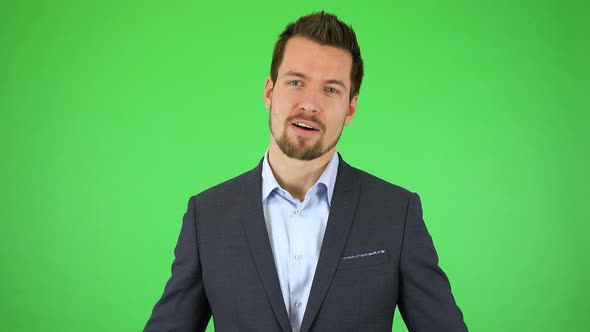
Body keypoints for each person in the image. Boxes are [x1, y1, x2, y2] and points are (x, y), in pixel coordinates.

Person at [144, 11, 468, 332]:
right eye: (296, 82)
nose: (310, 104)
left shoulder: (397, 214)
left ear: (350, 108)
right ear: (270, 92)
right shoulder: (207, 216)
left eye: (331, 90)